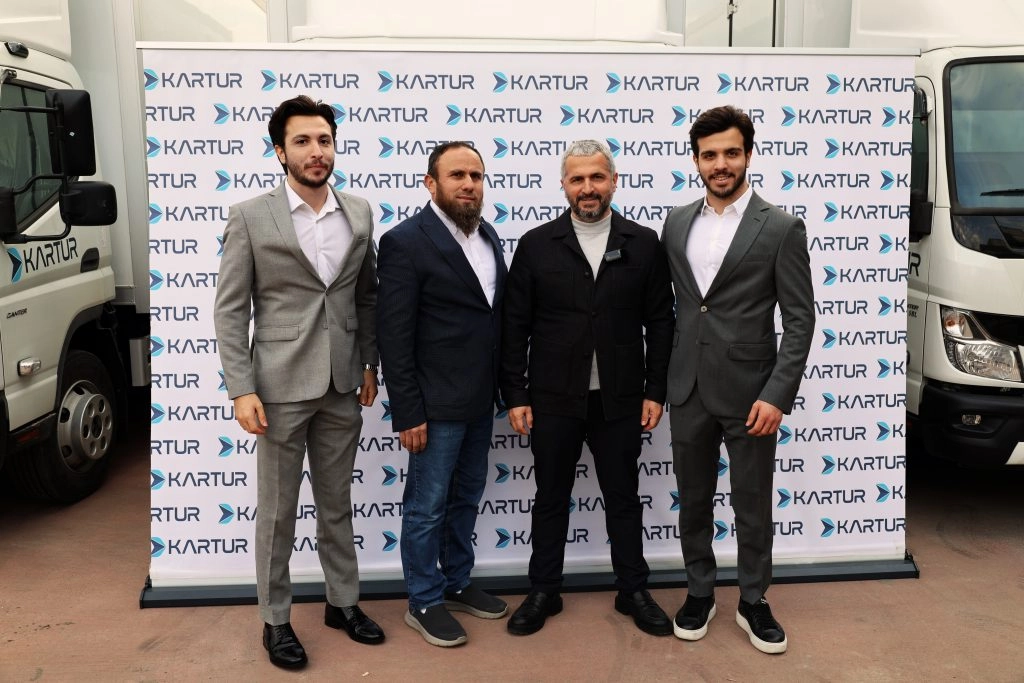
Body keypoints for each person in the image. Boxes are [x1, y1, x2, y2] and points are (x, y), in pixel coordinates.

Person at [214, 95, 384, 670]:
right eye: (303, 141)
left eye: (325, 140)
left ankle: (343, 603)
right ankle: (276, 620)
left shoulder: (358, 212)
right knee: (278, 513)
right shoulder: (249, 215)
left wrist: (369, 363)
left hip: (341, 383)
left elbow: (366, 297)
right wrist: (241, 388)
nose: (317, 152)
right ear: (280, 151)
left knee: (337, 505)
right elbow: (230, 309)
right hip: (278, 388)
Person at [500, 139, 676, 637]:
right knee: (551, 497)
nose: (587, 188)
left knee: (623, 496)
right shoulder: (537, 244)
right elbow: (514, 326)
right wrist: (516, 395)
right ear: (564, 186)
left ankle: (633, 589)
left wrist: (655, 390)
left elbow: (661, 322)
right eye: (577, 179)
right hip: (552, 398)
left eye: (597, 177)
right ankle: (544, 590)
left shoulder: (644, 243)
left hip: (620, 400)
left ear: (614, 181)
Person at [661, 105, 815, 654]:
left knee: (752, 503)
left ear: (748, 155)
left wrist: (777, 395)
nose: (720, 164)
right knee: (693, 499)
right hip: (687, 387)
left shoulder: (780, 227)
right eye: (709, 155)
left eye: (730, 152)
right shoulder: (676, 222)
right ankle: (699, 592)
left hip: (752, 394)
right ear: (696, 161)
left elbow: (800, 320)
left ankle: (753, 600)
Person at [376, 141, 509, 648]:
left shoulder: (487, 234)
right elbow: (394, 336)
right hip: (433, 408)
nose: (469, 184)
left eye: (476, 175)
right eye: (457, 175)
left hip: (480, 401)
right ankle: (424, 599)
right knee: (427, 506)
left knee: (466, 497)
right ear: (431, 183)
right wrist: (408, 410)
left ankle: (456, 581)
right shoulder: (405, 241)